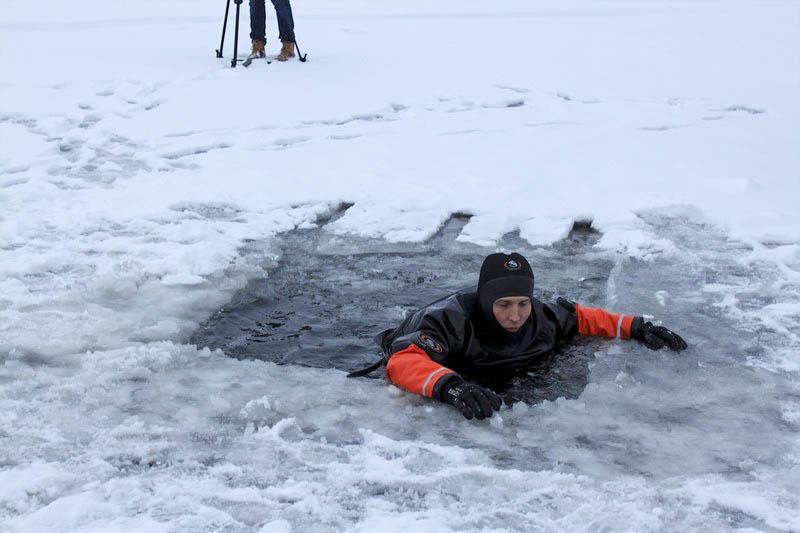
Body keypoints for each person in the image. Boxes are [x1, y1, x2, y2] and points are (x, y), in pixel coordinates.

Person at [375, 252, 687, 420]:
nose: (515, 316)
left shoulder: (541, 316)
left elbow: (583, 318)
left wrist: (636, 326)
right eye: (504, 305)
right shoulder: (448, 321)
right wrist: (451, 386)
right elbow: (403, 361)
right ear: (485, 301)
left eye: (523, 303)